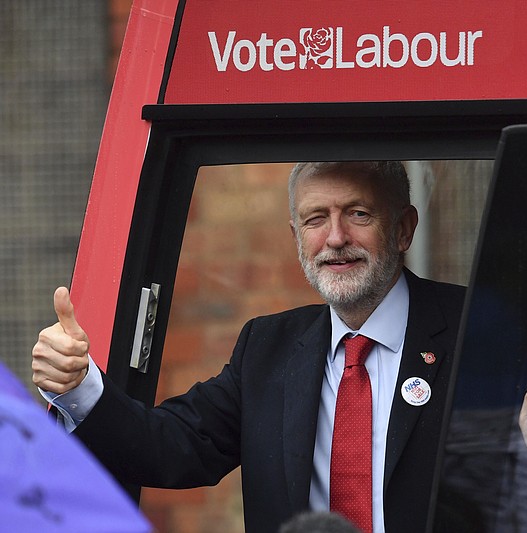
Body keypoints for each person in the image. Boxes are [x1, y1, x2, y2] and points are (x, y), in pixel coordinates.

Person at [32, 162, 466, 533]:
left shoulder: (475, 328)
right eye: (316, 219)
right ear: (296, 236)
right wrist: (79, 384)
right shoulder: (266, 348)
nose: (335, 237)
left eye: (357, 213)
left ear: (404, 229)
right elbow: (168, 446)